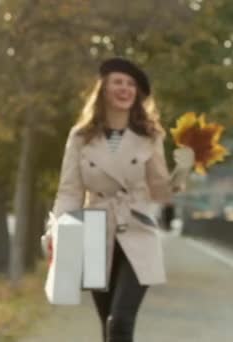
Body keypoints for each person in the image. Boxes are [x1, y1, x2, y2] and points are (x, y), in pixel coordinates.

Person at [43, 57, 194, 342]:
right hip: (94, 233)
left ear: (137, 94)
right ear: (103, 89)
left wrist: (182, 172)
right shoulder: (80, 137)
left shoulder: (150, 136)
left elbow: (159, 191)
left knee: (120, 322)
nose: (125, 89)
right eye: (118, 82)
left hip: (137, 230)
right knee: (107, 325)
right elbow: (70, 191)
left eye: (131, 85)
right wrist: (58, 229)